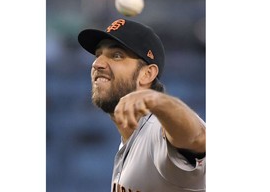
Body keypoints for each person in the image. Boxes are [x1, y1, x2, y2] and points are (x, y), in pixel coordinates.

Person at [77, 18, 206, 192]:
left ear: (147, 74)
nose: (97, 63)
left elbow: (199, 138)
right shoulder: (130, 139)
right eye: (98, 54)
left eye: (116, 55)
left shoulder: (157, 130)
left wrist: (155, 100)